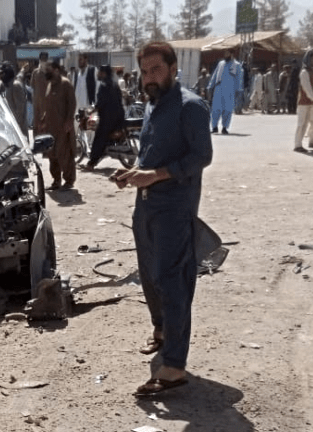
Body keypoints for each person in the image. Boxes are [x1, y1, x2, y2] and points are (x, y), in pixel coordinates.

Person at [111, 41, 212, 397]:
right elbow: (153, 157)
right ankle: (161, 331)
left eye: (156, 70)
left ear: (172, 69)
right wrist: (134, 172)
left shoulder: (191, 106)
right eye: (145, 71)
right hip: (146, 206)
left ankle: (173, 367)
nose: (149, 78)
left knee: (173, 282)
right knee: (150, 276)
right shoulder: (153, 105)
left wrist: (155, 175)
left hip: (174, 209)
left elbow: (202, 156)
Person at [41, 59, 77, 190]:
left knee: (65, 154)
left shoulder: (66, 84)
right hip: (51, 127)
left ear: (56, 70)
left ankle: (69, 181)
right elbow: (48, 105)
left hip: (63, 127)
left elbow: (72, 104)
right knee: (52, 155)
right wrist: (44, 120)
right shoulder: (50, 84)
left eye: (49, 69)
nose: (46, 72)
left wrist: (69, 121)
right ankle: (56, 181)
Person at [83, 65, 125, 172]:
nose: (97, 74)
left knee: (99, 138)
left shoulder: (104, 85)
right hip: (118, 116)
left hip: (109, 117)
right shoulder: (114, 84)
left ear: (104, 73)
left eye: (99, 72)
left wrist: (92, 111)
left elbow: (101, 103)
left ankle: (91, 163)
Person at [294, 49, 313, 153]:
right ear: (308, 58)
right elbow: (307, 87)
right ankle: (297, 145)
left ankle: (312, 141)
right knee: (302, 123)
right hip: (304, 102)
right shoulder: (304, 72)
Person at [207, 50, 243, 134]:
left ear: (231, 54)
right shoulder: (221, 64)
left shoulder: (237, 65)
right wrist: (210, 86)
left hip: (229, 91)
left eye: (227, 53)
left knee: (227, 110)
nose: (225, 55)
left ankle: (224, 128)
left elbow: (239, 79)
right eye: (225, 53)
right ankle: (214, 127)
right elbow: (215, 75)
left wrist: (239, 90)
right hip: (218, 90)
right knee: (215, 109)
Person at [0, 61, 28, 137]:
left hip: (19, 129)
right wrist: (22, 69)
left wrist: (16, 127)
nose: (1, 76)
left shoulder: (15, 86)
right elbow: (20, 76)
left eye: (3, 73)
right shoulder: (9, 85)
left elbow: (20, 110)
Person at [31, 52, 49, 136]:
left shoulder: (50, 72)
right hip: (37, 104)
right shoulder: (35, 72)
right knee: (36, 124)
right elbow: (32, 86)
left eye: (45, 59)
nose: (43, 60)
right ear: (39, 59)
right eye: (42, 59)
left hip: (47, 104)